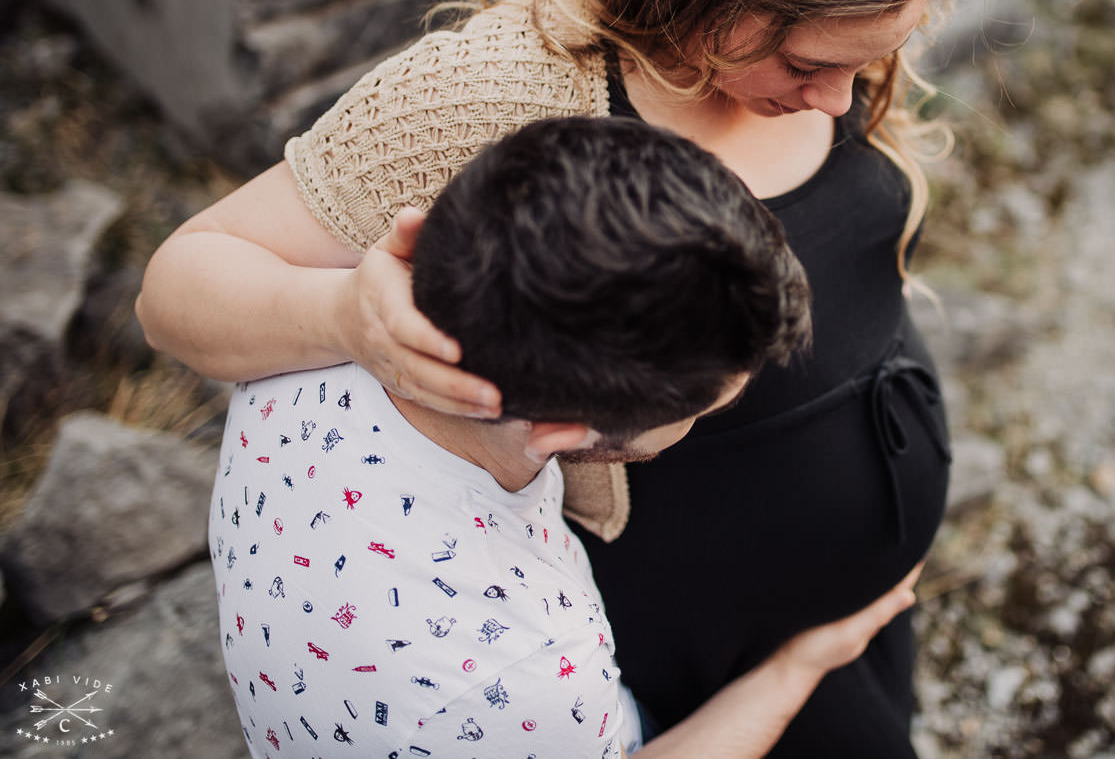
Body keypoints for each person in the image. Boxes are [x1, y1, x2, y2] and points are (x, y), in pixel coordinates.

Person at [141, 0, 971, 757]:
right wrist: (345, 315)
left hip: (851, 600)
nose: (837, 101)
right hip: (689, 643)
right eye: (810, 64)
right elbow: (176, 286)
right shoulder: (510, 89)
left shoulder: (841, 35)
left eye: (873, 59)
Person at [211, 116, 921, 758]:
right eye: (708, 407)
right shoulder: (529, 678)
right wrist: (802, 663)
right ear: (557, 429)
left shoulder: (303, 347)